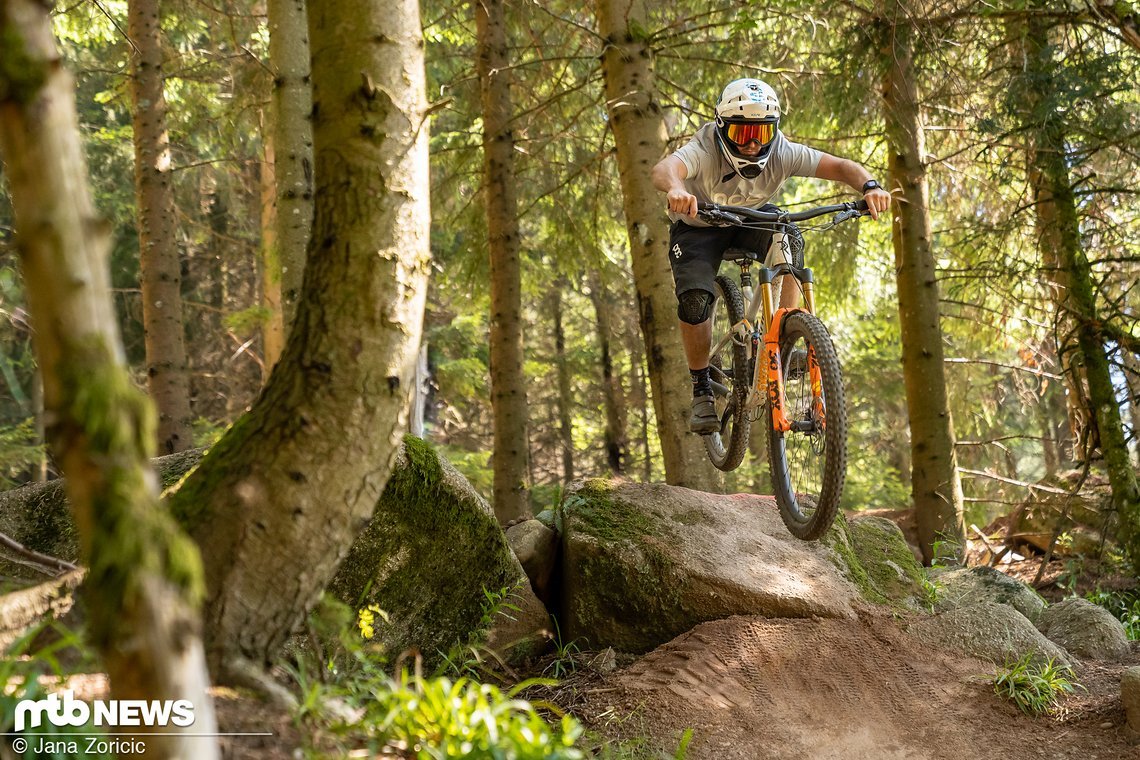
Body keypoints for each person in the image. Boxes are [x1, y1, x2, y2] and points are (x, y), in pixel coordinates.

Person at [651, 77, 892, 434]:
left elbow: (841, 167)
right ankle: (701, 384)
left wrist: (870, 186)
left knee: (790, 239)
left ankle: (785, 331)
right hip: (698, 225)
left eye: (760, 134)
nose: (751, 144)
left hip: (752, 218)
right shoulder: (705, 149)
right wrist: (676, 188)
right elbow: (665, 168)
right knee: (694, 300)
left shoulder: (782, 152)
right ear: (721, 127)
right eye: (742, 132)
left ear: (773, 131)